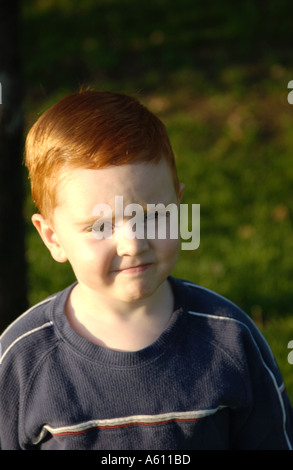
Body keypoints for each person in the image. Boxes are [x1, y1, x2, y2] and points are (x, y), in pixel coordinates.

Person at [0, 90, 292, 450]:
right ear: (53, 238)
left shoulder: (230, 338)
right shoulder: (21, 360)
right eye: (100, 227)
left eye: (153, 216)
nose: (133, 244)